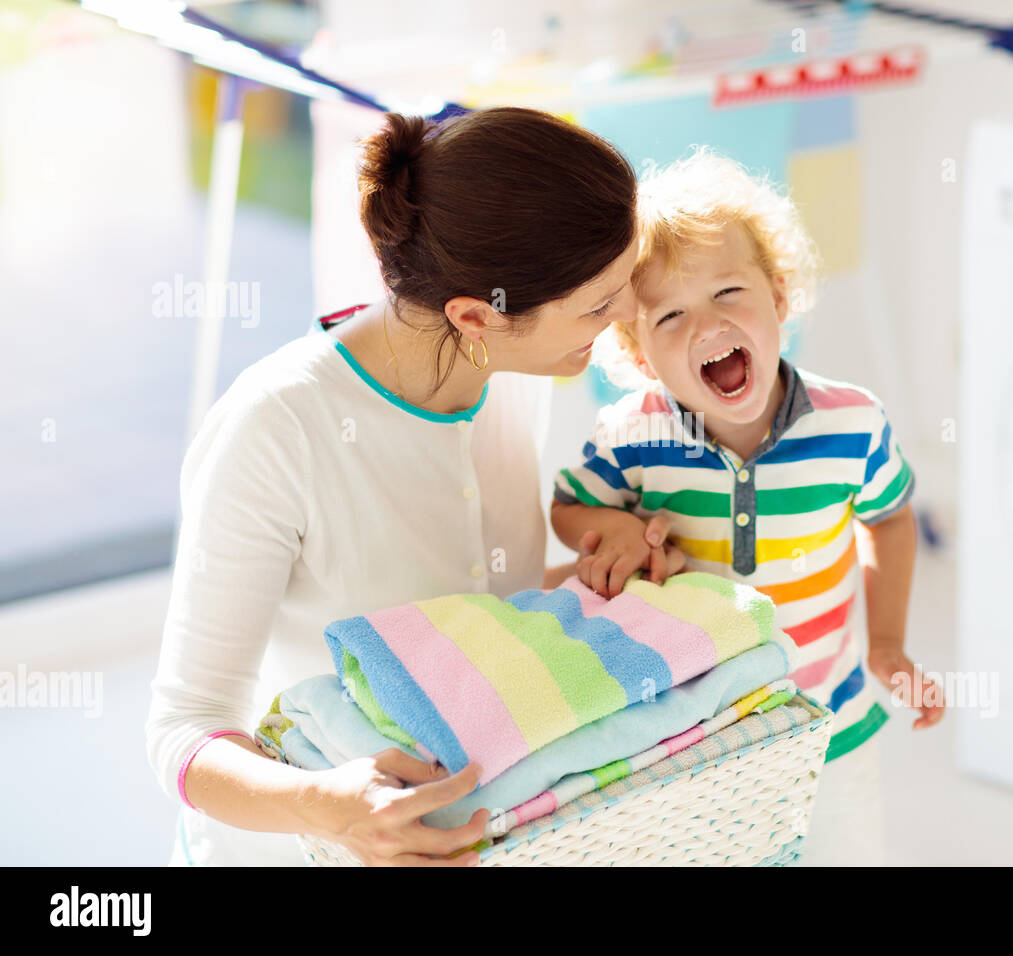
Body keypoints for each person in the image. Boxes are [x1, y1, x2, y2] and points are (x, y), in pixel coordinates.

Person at [144, 108, 682, 867]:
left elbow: (471, 611)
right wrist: (327, 806)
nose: (629, 312)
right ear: (475, 316)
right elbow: (184, 729)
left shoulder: (517, 370)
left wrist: (601, 574)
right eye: (599, 303)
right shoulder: (275, 430)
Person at [549, 147, 945, 865]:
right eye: (669, 315)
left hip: (833, 718)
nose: (706, 327)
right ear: (640, 355)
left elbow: (889, 517)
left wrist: (886, 644)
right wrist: (618, 527)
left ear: (780, 297)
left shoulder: (852, 424)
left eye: (729, 293)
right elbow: (568, 508)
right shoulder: (634, 432)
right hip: (701, 733)